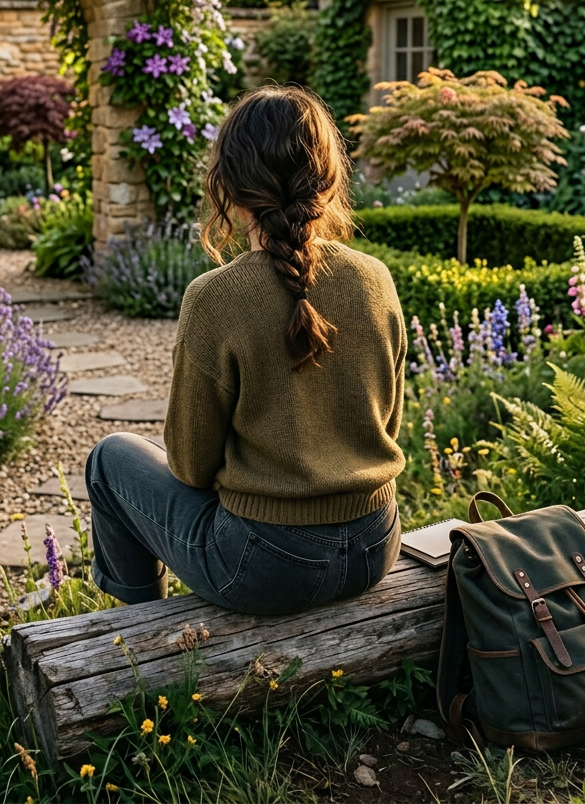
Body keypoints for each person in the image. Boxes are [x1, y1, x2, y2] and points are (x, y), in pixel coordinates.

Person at [85, 86, 406, 615]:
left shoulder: (214, 298)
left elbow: (190, 464)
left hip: (266, 567)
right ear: (328, 178)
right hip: (376, 543)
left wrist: (267, 476)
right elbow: (386, 424)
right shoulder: (375, 279)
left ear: (228, 186)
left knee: (110, 458)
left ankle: (132, 640)